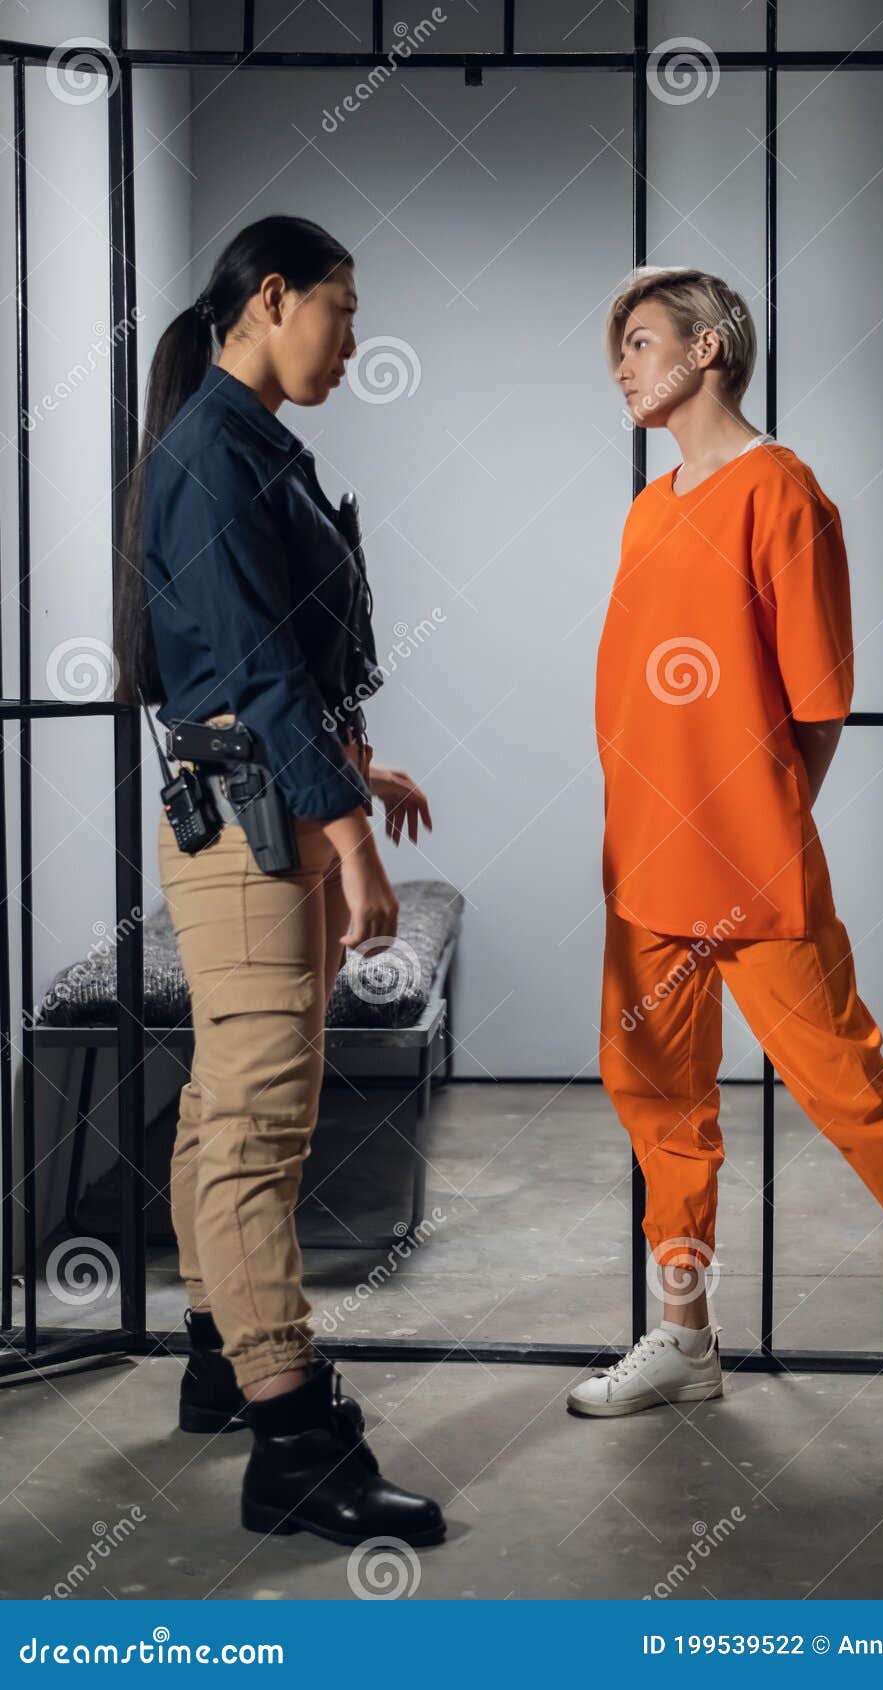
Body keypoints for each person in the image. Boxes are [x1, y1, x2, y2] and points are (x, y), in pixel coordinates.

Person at [569, 265, 883, 1462]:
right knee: (659, 1107)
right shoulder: (644, 506)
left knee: (852, 1096)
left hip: (749, 872)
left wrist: (756, 828)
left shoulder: (782, 495)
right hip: (643, 875)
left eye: (637, 340)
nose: (619, 365)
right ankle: (684, 1336)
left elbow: (816, 706)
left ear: (709, 347)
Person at [113, 214, 444, 1545]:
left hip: (263, 802)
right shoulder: (211, 451)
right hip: (248, 819)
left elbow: (289, 660)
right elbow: (248, 669)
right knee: (258, 1126)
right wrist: (347, 834)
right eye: (340, 311)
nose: (352, 344)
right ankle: (295, 1445)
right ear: (268, 297)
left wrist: (361, 770)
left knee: (218, 1106)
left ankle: (214, 1350)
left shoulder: (246, 443)